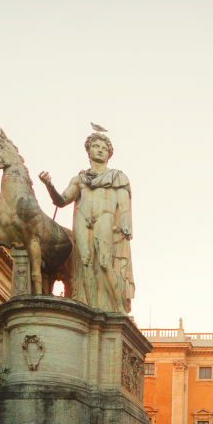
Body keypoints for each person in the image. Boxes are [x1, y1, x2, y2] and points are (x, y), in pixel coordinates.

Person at [40, 131, 134, 313]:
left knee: (105, 263)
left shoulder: (117, 177)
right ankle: (90, 311)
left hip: (104, 217)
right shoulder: (80, 179)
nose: (100, 150)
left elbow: (124, 205)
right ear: (88, 151)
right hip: (82, 219)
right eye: (96, 146)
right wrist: (49, 185)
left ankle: (118, 307)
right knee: (84, 264)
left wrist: (125, 223)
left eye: (104, 148)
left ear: (109, 154)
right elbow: (61, 201)